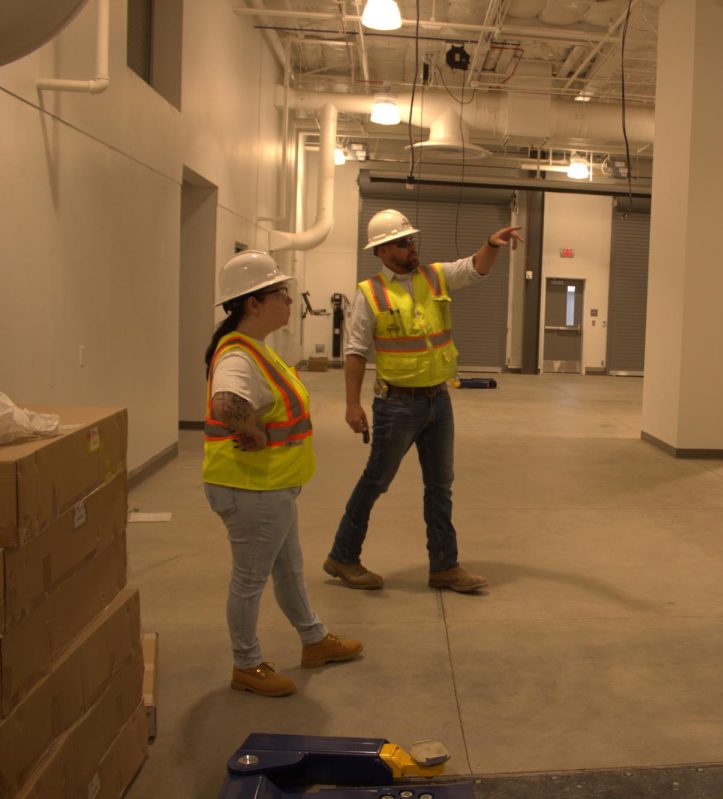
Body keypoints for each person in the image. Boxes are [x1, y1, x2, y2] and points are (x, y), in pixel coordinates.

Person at [324, 209, 523, 592]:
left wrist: (491, 246)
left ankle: (445, 567)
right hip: (396, 405)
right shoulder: (370, 294)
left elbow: (473, 269)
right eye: (401, 242)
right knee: (376, 482)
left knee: (440, 486)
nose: (410, 246)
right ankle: (343, 555)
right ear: (382, 252)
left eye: (411, 239)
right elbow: (354, 352)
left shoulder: (434, 276)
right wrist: (352, 404)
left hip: (438, 401)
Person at [203, 250, 363, 697]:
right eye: (281, 293)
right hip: (249, 485)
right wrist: (250, 428)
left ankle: (314, 640)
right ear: (253, 303)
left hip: (271, 485)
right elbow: (226, 403)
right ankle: (246, 664)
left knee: (289, 568)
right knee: (250, 578)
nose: (290, 301)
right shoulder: (239, 356)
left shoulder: (256, 349)